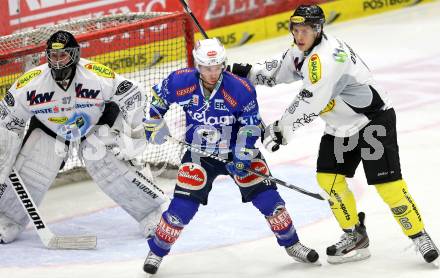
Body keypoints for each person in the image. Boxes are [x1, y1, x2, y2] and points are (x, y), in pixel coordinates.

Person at [228, 4, 439, 265]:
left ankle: (419, 235)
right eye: (296, 30)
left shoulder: (326, 58)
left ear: (318, 30)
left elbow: (309, 102)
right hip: (340, 127)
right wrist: (245, 71)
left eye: (305, 30)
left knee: (387, 184)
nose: (300, 35)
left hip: (372, 121)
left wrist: (281, 130)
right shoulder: (302, 50)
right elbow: (279, 69)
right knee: (328, 179)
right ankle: (354, 236)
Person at [142, 38, 319, 275]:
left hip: (237, 150)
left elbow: (250, 126)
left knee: (269, 200)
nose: (213, 73)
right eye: (206, 67)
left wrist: (242, 156)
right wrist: (154, 122)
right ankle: (157, 250)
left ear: (224, 64)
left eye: (217, 67)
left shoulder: (241, 88)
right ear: (197, 65)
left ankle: (292, 243)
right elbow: (158, 99)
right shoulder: (180, 81)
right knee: (181, 208)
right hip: (200, 153)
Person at [0, 30, 169, 244]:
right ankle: (6, 219)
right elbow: (6, 120)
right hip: (50, 129)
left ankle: (153, 211)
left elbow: (133, 93)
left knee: (105, 163)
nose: (58, 61)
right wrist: (4, 158)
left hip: (95, 125)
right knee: (33, 169)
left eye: (63, 56)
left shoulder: (93, 75)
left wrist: (134, 133)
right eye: (53, 56)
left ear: (75, 55)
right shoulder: (31, 83)